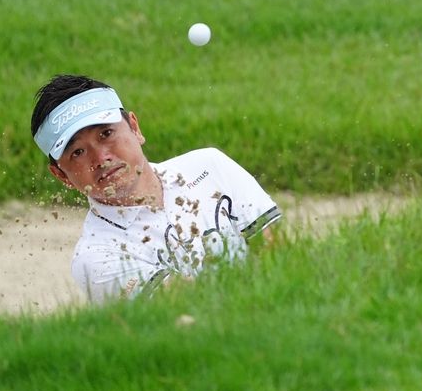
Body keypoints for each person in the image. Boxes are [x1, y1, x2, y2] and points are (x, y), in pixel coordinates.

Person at [30, 74, 281, 302]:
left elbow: (278, 255)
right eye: (78, 152)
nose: (101, 158)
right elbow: (193, 308)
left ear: (135, 128)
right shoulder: (96, 258)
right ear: (61, 175)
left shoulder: (209, 166)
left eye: (106, 133)